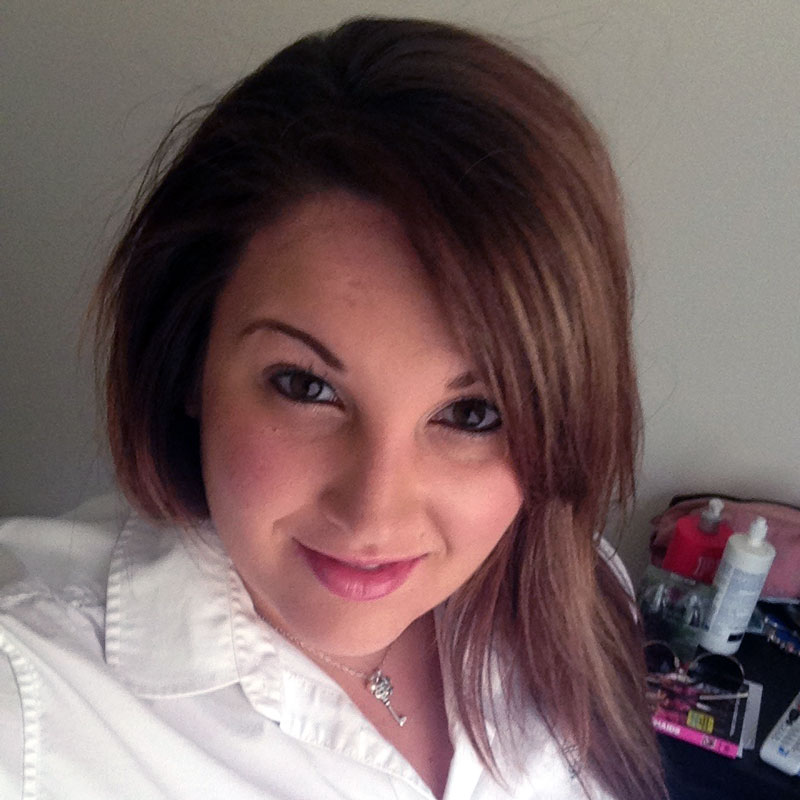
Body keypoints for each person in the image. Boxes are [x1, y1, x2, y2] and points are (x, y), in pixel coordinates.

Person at [0, 16, 667, 800]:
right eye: (306, 386)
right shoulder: (32, 694)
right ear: (190, 360)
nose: (373, 514)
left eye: (475, 413)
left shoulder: (583, 596)